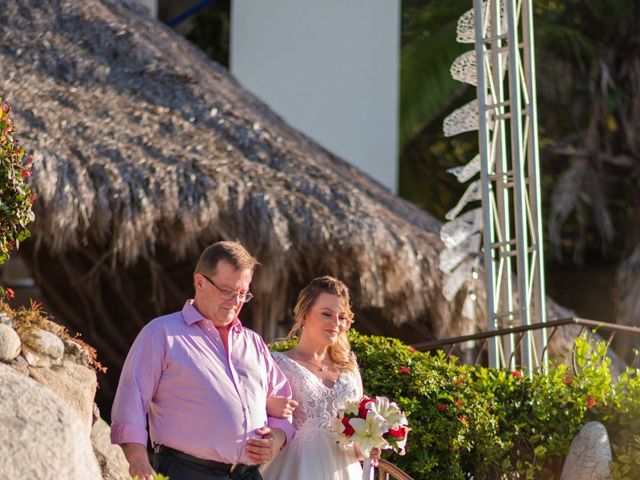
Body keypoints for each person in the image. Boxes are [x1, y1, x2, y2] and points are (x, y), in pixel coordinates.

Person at [110, 241, 295, 480]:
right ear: (199, 282)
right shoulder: (162, 333)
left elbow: (284, 404)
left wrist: (277, 438)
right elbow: (131, 398)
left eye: (242, 294)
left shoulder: (254, 343)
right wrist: (137, 459)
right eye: (226, 291)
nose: (235, 301)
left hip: (249, 475)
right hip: (187, 471)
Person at [260, 276, 379, 480]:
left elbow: (356, 445)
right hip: (294, 470)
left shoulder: (350, 370)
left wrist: (370, 444)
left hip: (345, 472)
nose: (336, 323)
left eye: (342, 317)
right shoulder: (277, 364)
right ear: (305, 315)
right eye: (327, 314)